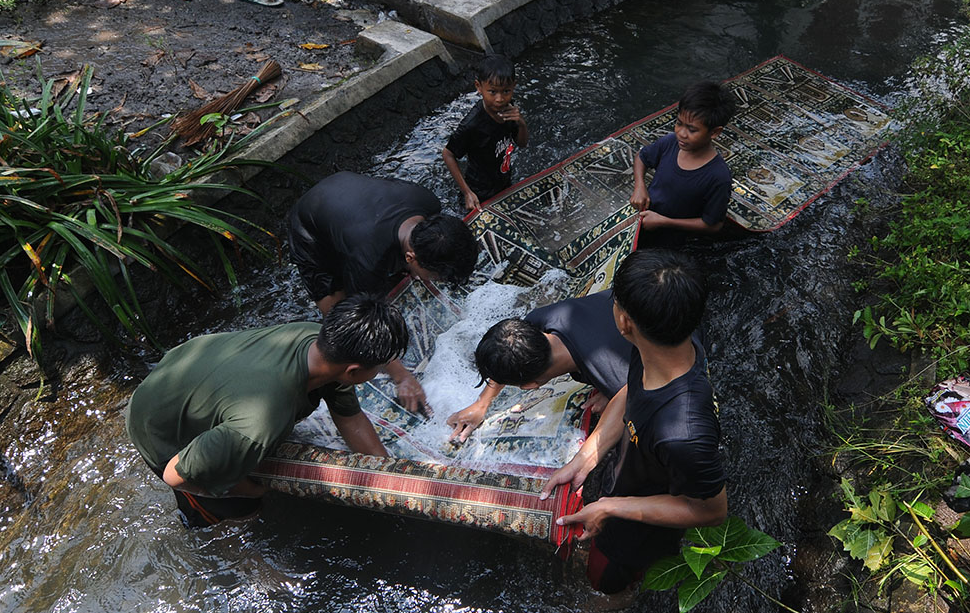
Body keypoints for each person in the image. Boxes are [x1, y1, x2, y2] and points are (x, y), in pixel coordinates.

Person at [126, 295, 408, 527]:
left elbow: (352, 420)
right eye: (379, 367)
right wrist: (251, 489)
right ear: (354, 371)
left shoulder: (316, 340)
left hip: (184, 370)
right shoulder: (260, 423)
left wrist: (389, 477)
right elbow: (175, 475)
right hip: (156, 425)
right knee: (246, 510)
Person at [541, 249, 727, 594]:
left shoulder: (683, 432)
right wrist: (588, 455)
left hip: (639, 530)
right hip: (630, 483)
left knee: (605, 585)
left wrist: (611, 508)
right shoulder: (669, 344)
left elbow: (710, 511)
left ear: (624, 322)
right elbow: (631, 389)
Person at [286, 171, 479, 413]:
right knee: (338, 312)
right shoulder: (368, 260)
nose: (438, 282)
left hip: (348, 194)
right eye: (436, 276)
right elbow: (358, 321)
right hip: (310, 225)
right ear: (411, 257)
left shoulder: (429, 204)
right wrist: (402, 377)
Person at [446, 289, 632, 443]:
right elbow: (506, 348)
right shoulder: (542, 318)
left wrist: (613, 397)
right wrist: (481, 403)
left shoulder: (616, 380)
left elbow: (633, 393)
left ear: (530, 386)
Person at [630, 81, 736, 249]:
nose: (681, 133)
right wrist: (640, 186)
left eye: (692, 130)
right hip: (645, 220)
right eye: (679, 123)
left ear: (715, 132)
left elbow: (713, 224)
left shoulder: (718, 177)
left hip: (674, 239)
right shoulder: (670, 142)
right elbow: (641, 157)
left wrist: (664, 222)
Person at [442, 54, 530, 212]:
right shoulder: (472, 124)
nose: (499, 99)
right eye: (492, 92)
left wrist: (521, 123)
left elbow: (522, 144)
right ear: (479, 87)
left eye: (506, 91)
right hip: (479, 192)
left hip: (503, 181)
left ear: (514, 87)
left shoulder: (510, 109)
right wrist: (467, 192)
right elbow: (448, 154)